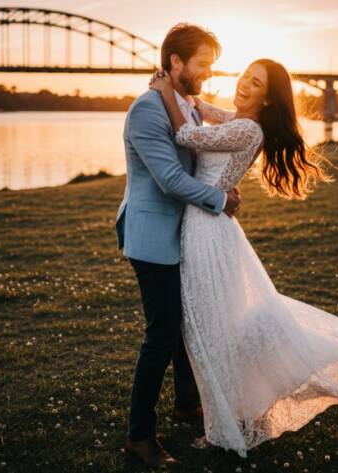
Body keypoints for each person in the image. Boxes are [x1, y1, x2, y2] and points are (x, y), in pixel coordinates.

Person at [148, 57, 338, 458]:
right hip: (203, 226)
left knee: (210, 331)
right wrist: (177, 87)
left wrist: (163, 94)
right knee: (205, 329)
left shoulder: (248, 128)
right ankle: (229, 413)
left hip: (208, 233)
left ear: (267, 98)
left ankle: (223, 428)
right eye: (245, 76)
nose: (245, 84)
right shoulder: (236, 119)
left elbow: (186, 136)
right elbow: (201, 112)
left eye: (256, 83)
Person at [114, 23, 241, 467]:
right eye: (203, 63)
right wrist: (221, 200)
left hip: (180, 234)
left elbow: (212, 121)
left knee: (186, 324)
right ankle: (139, 436)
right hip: (151, 239)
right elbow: (169, 180)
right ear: (175, 62)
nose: (208, 72)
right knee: (162, 335)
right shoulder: (147, 110)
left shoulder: (184, 103)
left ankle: (187, 402)